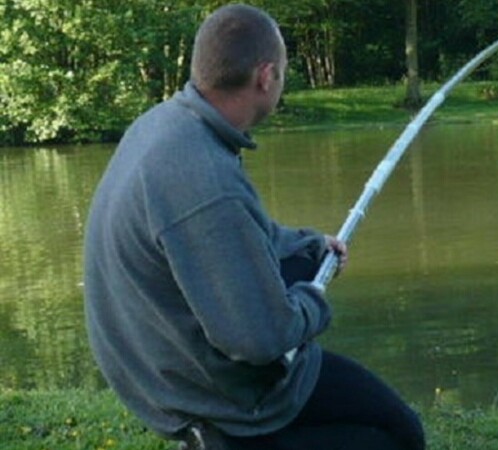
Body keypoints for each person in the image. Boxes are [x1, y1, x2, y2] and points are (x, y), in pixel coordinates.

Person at [83, 4, 425, 450]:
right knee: (395, 435)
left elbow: (238, 234)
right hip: (213, 397)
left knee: (388, 417)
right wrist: (312, 300)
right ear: (265, 76)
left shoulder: (166, 125)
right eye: (282, 73)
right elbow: (259, 340)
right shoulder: (206, 179)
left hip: (159, 365)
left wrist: (306, 247)